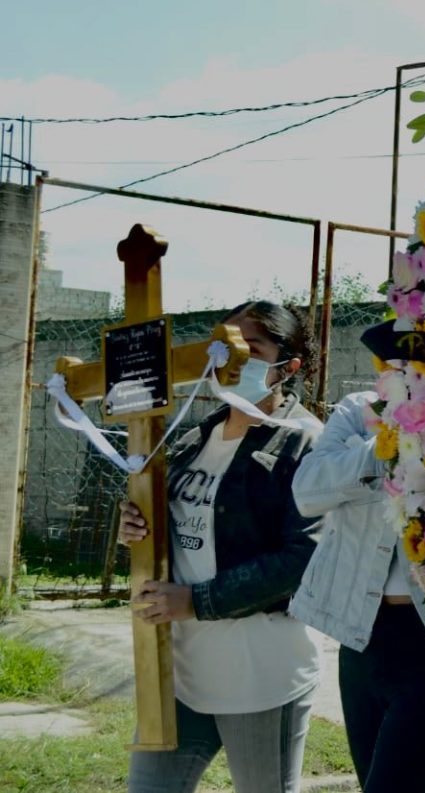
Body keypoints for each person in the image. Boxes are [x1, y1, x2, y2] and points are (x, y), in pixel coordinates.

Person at [118, 300, 323, 793]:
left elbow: (302, 559)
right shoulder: (194, 438)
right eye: (223, 345)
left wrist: (195, 601)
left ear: (287, 367)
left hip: (258, 677)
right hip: (179, 674)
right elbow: (182, 531)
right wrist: (135, 526)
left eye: (249, 348)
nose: (229, 360)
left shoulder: (305, 443)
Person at [289, 390, 425, 793]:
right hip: (363, 642)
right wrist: (384, 447)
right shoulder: (358, 407)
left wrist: (352, 466)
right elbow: (307, 491)